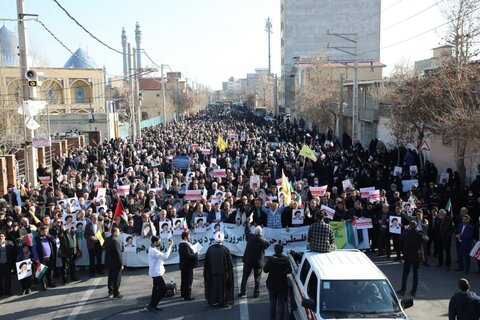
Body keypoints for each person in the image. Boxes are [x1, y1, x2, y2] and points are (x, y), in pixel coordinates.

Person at [397, 221, 428, 297]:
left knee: (405, 274)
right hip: (416, 257)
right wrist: (420, 231)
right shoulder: (419, 234)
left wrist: (405, 230)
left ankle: (403, 290)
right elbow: (426, 239)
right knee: (415, 274)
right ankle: (413, 291)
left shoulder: (406, 233)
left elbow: (399, 239)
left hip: (407, 256)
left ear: (410, 226)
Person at [238, 223, 270, 298]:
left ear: (255, 232)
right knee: (257, 278)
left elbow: (247, 231)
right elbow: (268, 243)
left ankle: (242, 292)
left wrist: (248, 224)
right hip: (257, 262)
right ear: (261, 233)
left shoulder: (250, 237)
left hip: (248, 260)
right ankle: (256, 292)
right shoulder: (263, 241)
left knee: (245, 276)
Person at [204, 231, 234, 307]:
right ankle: (222, 301)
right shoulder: (225, 250)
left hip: (212, 273)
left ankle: (214, 301)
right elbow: (230, 264)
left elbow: (206, 263)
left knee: (213, 287)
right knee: (222, 288)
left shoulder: (210, 249)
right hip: (222, 274)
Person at [263, 244, 292, 320]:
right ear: (282, 250)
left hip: (272, 285)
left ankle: (272, 318)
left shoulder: (271, 259)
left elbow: (265, 270)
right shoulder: (286, 260)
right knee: (281, 304)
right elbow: (290, 271)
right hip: (282, 285)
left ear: (275, 250)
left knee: (272, 302)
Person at [147, 235, 173, 313]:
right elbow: (165, 256)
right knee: (163, 289)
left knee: (155, 288)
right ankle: (153, 305)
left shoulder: (153, 248)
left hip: (155, 271)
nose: (160, 243)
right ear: (154, 242)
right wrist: (170, 246)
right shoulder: (153, 250)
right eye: (159, 242)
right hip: (156, 273)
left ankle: (152, 305)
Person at [33, 226, 57, 290]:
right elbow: (34, 250)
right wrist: (36, 258)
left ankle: (50, 282)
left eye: (46, 231)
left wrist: (49, 236)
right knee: (42, 272)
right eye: (44, 231)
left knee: (50, 270)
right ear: (40, 231)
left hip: (49, 257)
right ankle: (43, 284)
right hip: (41, 258)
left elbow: (55, 242)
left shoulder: (49, 237)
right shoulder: (36, 239)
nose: (45, 232)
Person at [178, 231, 198, 301]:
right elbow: (188, 255)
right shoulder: (184, 245)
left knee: (184, 280)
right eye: (189, 236)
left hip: (185, 265)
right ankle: (187, 295)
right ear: (185, 237)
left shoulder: (183, 244)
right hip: (187, 266)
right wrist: (196, 254)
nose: (190, 237)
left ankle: (183, 293)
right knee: (188, 281)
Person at [105, 226, 123, 299]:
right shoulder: (115, 241)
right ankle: (116, 293)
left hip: (109, 261)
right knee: (117, 278)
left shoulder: (107, 239)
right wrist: (121, 264)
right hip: (116, 262)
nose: (119, 233)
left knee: (110, 277)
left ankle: (110, 292)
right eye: (118, 231)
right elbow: (118, 254)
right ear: (115, 232)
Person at [0, 231, 16, 295]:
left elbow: (13, 254)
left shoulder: (10, 243)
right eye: (0, 236)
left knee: (8, 279)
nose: (1, 237)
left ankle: (8, 291)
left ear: (5, 237)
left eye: (2, 236)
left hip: (7, 264)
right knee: (0, 279)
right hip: (0, 264)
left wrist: (13, 265)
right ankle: (1, 292)